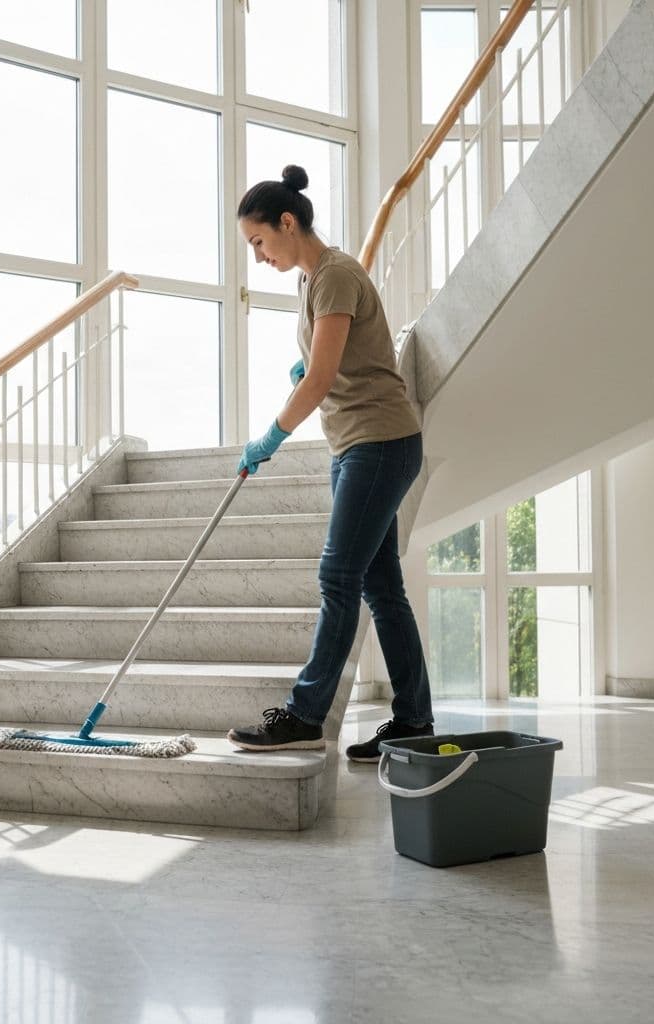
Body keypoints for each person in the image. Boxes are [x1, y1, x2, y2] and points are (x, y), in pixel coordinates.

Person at [226, 164, 434, 763]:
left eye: (259, 241)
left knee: (338, 577)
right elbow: (325, 363)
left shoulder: (336, 275)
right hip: (354, 444)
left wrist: (271, 436)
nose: (258, 255)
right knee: (380, 585)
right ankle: (414, 720)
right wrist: (309, 372)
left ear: (287, 222)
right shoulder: (312, 280)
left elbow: (320, 379)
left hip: (380, 441)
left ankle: (304, 714)